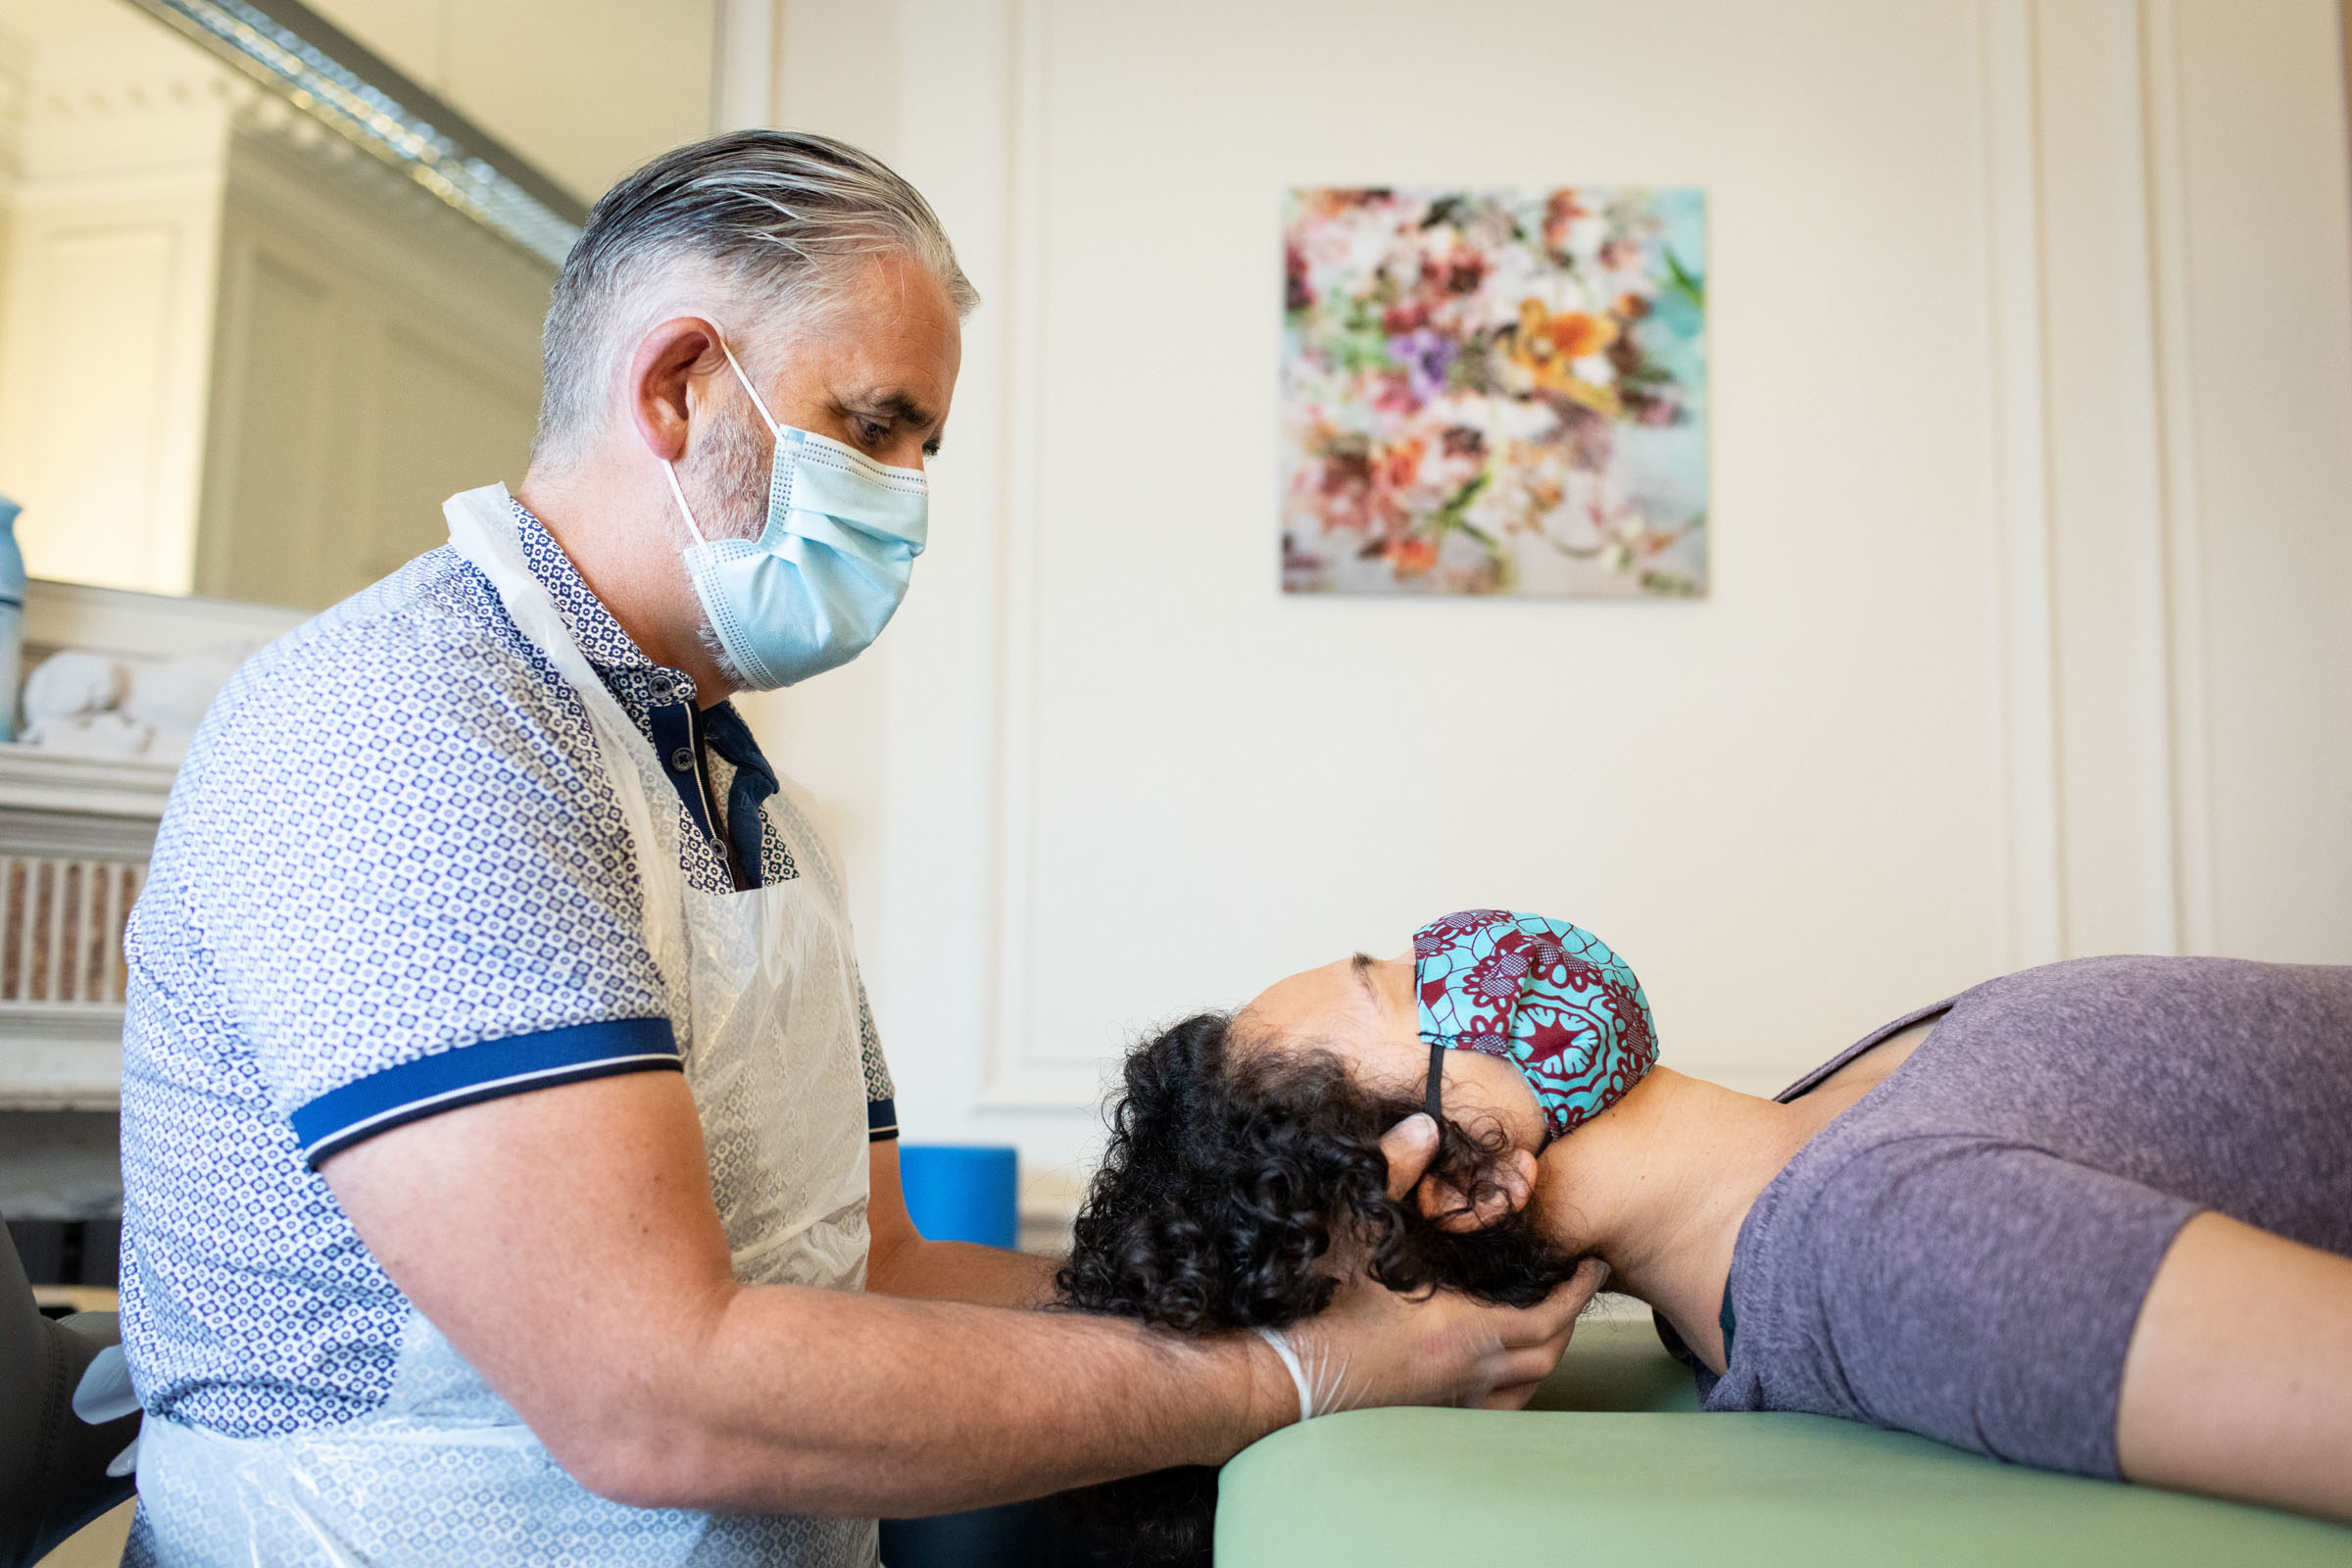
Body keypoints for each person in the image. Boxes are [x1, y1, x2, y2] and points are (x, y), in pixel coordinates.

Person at [113, 137, 1602, 1567]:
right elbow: (650, 1395)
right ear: (684, 386)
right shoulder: (414, 735)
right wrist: (1280, 1379)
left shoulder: (732, 792)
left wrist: (1268, 1305)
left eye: (923, 447)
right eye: (873, 424)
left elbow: (876, 1264)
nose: (904, 497)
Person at [1061, 908, 2352, 1555]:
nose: (1457, 943)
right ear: (1465, 1183)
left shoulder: (1794, 1152)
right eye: (1402, 986)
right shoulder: (1893, 1243)